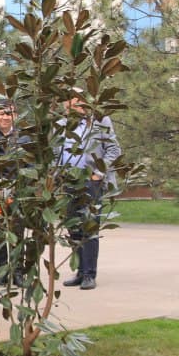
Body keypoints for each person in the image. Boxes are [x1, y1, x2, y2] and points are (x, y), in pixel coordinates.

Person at [57, 95, 122, 290]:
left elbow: (114, 150)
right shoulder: (60, 124)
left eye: (76, 104)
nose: (73, 109)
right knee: (73, 228)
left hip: (91, 182)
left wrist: (98, 173)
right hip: (68, 182)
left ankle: (89, 274)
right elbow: (54, 151)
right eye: (68, 105)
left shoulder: (100, 122)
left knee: (90, 228)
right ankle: (79, 270)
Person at [0, 98, 20, 284]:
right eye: (2, 113)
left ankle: (18, 272)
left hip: (18, 192)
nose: (6, 117)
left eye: (10, 113)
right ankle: (1, 271)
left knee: (18, 234)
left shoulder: (24, 138)